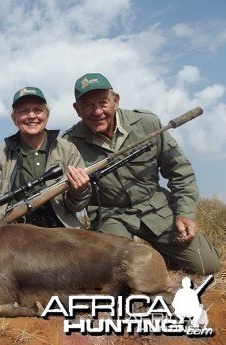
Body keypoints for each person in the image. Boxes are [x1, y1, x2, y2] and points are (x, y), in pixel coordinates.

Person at [63, 73, 220, 274]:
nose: (98, 111)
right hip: (112, 217)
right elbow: (74, 204)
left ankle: (166, 257)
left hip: (157, 209)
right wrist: (78, 191)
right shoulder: (68, 144)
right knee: (120, 272)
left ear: (116, 100)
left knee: (207, 265)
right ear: (77, 110)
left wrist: (184, 213)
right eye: (88, 106)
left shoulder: (147, 123)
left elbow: (180, 170)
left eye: (103, 103)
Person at [0, 86, 90, 230]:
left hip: (60, 233)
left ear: (46, 115)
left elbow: (77, 206)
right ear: (14, 118)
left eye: (38, 110)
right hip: (14, 233)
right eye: (24, 111)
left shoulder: (67, 150)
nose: (31, 116)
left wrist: (80, 191)